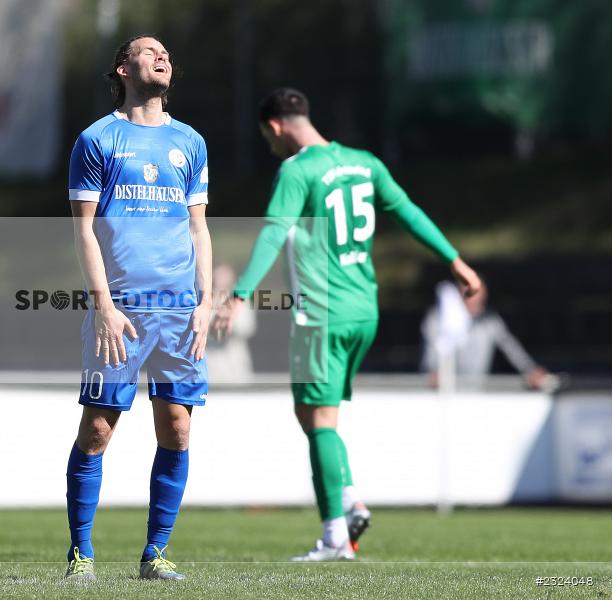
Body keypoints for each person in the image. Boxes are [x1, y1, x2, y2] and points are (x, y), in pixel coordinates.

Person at [213, 88, 481, 561]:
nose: (271, 146)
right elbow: (409, 212)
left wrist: (238, 294)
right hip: (364, 311)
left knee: (319, 420)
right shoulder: (364, 163)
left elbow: (275, 230)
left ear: (275, 127)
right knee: (312, 413)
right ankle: (350, 498)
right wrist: (455, 260)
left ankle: (336, 535)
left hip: (322, 313)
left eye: (267, 137)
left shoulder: (297, 170)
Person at [64, 34, 212, 582]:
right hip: (121, 309)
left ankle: (156, 554)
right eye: (150, 51)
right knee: (99, 428)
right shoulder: (97, 140)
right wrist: (102, 305)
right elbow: (83, 231)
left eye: (168, 51)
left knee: (176, 427)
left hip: (178, 313)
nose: (163, 55)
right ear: (124, 68)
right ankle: (81, 554)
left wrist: (204, 302)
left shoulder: (190, 142)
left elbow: (199, 228)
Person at [421, 280, 553, 389]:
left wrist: (529, 369)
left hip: (477, 392)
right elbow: (431, 352)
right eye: (471, 296)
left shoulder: (490, 321)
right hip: (443, 393)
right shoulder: (438, 319)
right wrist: (433, 372)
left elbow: (510, 347)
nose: (476, 303)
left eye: (480, 298)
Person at [206, 264, 256, 384]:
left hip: (235, 365)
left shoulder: (241, 300)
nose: (220, 280)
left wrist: (226, 322)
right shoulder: (204, 300)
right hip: (211, 365)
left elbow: (247, 328)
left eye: (224, 276)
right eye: (217, 276)